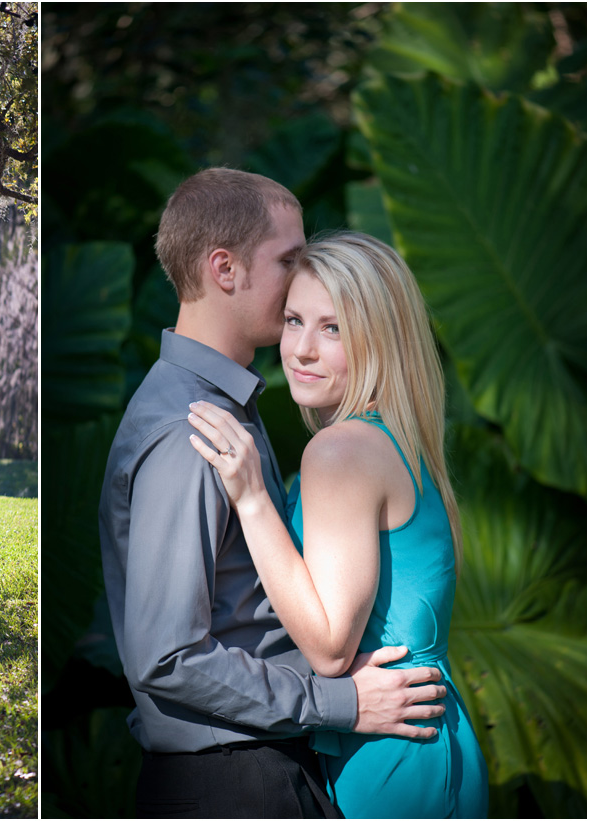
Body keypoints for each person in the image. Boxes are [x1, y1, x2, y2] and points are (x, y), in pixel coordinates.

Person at [98, 168, 447, 819]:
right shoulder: (190, 429)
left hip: (255, 766)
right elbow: (167, 656)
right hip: (229, 781)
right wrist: (342, 702)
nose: (300, 273)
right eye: (287, 258)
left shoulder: (225, 405)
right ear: (225, 269)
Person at [188, 232, 488, 818]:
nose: (300, 349)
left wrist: (251, 499)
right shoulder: (400, 441)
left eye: (333, 329)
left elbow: (329, 649)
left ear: (380, 340)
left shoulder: (340, 451)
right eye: (294, 320)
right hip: (437, 736)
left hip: (390, 747)